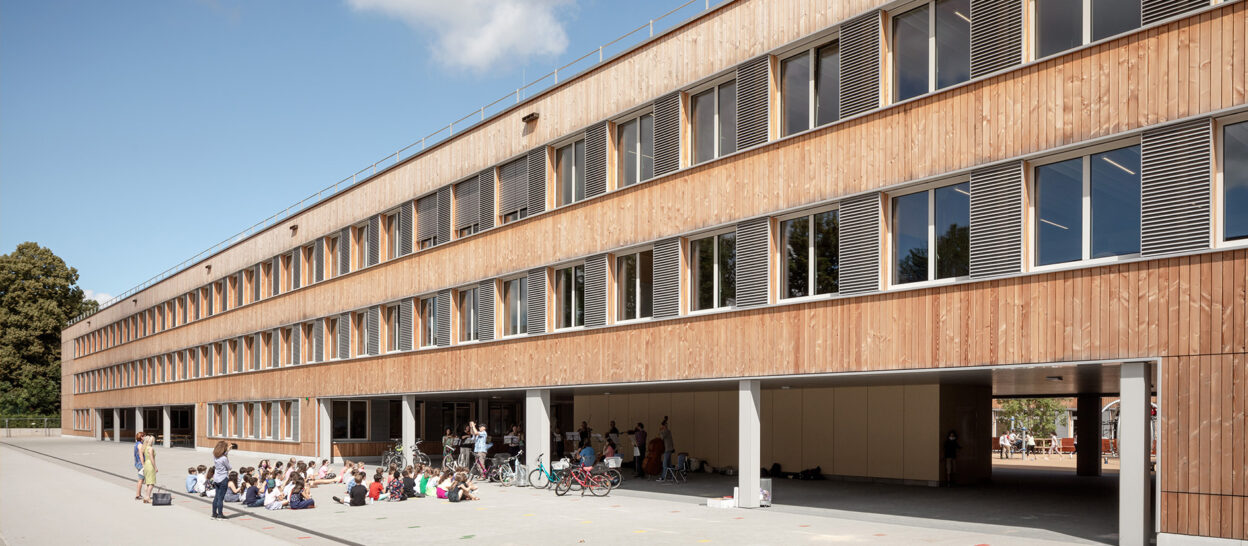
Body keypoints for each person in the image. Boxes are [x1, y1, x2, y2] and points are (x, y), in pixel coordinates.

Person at [210, 441, 233, 520]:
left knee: (216, 497)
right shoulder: (224, 458)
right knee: (221, 498)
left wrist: (227, 451)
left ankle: (214, 514)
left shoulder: (215, 456)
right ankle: (220, 515)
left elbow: (223, 455)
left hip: (216, 479)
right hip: (223, 479)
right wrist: (227, 455)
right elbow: (229, 467)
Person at [140, 435, 157, 503]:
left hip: (146, 464)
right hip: (150, 465)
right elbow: (152, 458)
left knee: (147, 482)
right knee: (152, 483)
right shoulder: (150, 448)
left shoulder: (145, 447)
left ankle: (146, 496)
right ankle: (148, 497)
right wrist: (155, 467)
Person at [133, 431, 146, 501]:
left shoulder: (136, 444)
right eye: (144, 436)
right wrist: (143, 464)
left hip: (137, 463)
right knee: (141, 479)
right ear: (141, 437)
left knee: (140, 479)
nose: (145, 437)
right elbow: (141, 455)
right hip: (140, 464)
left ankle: (139, 494)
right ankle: (138, 495)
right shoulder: (140, 445)